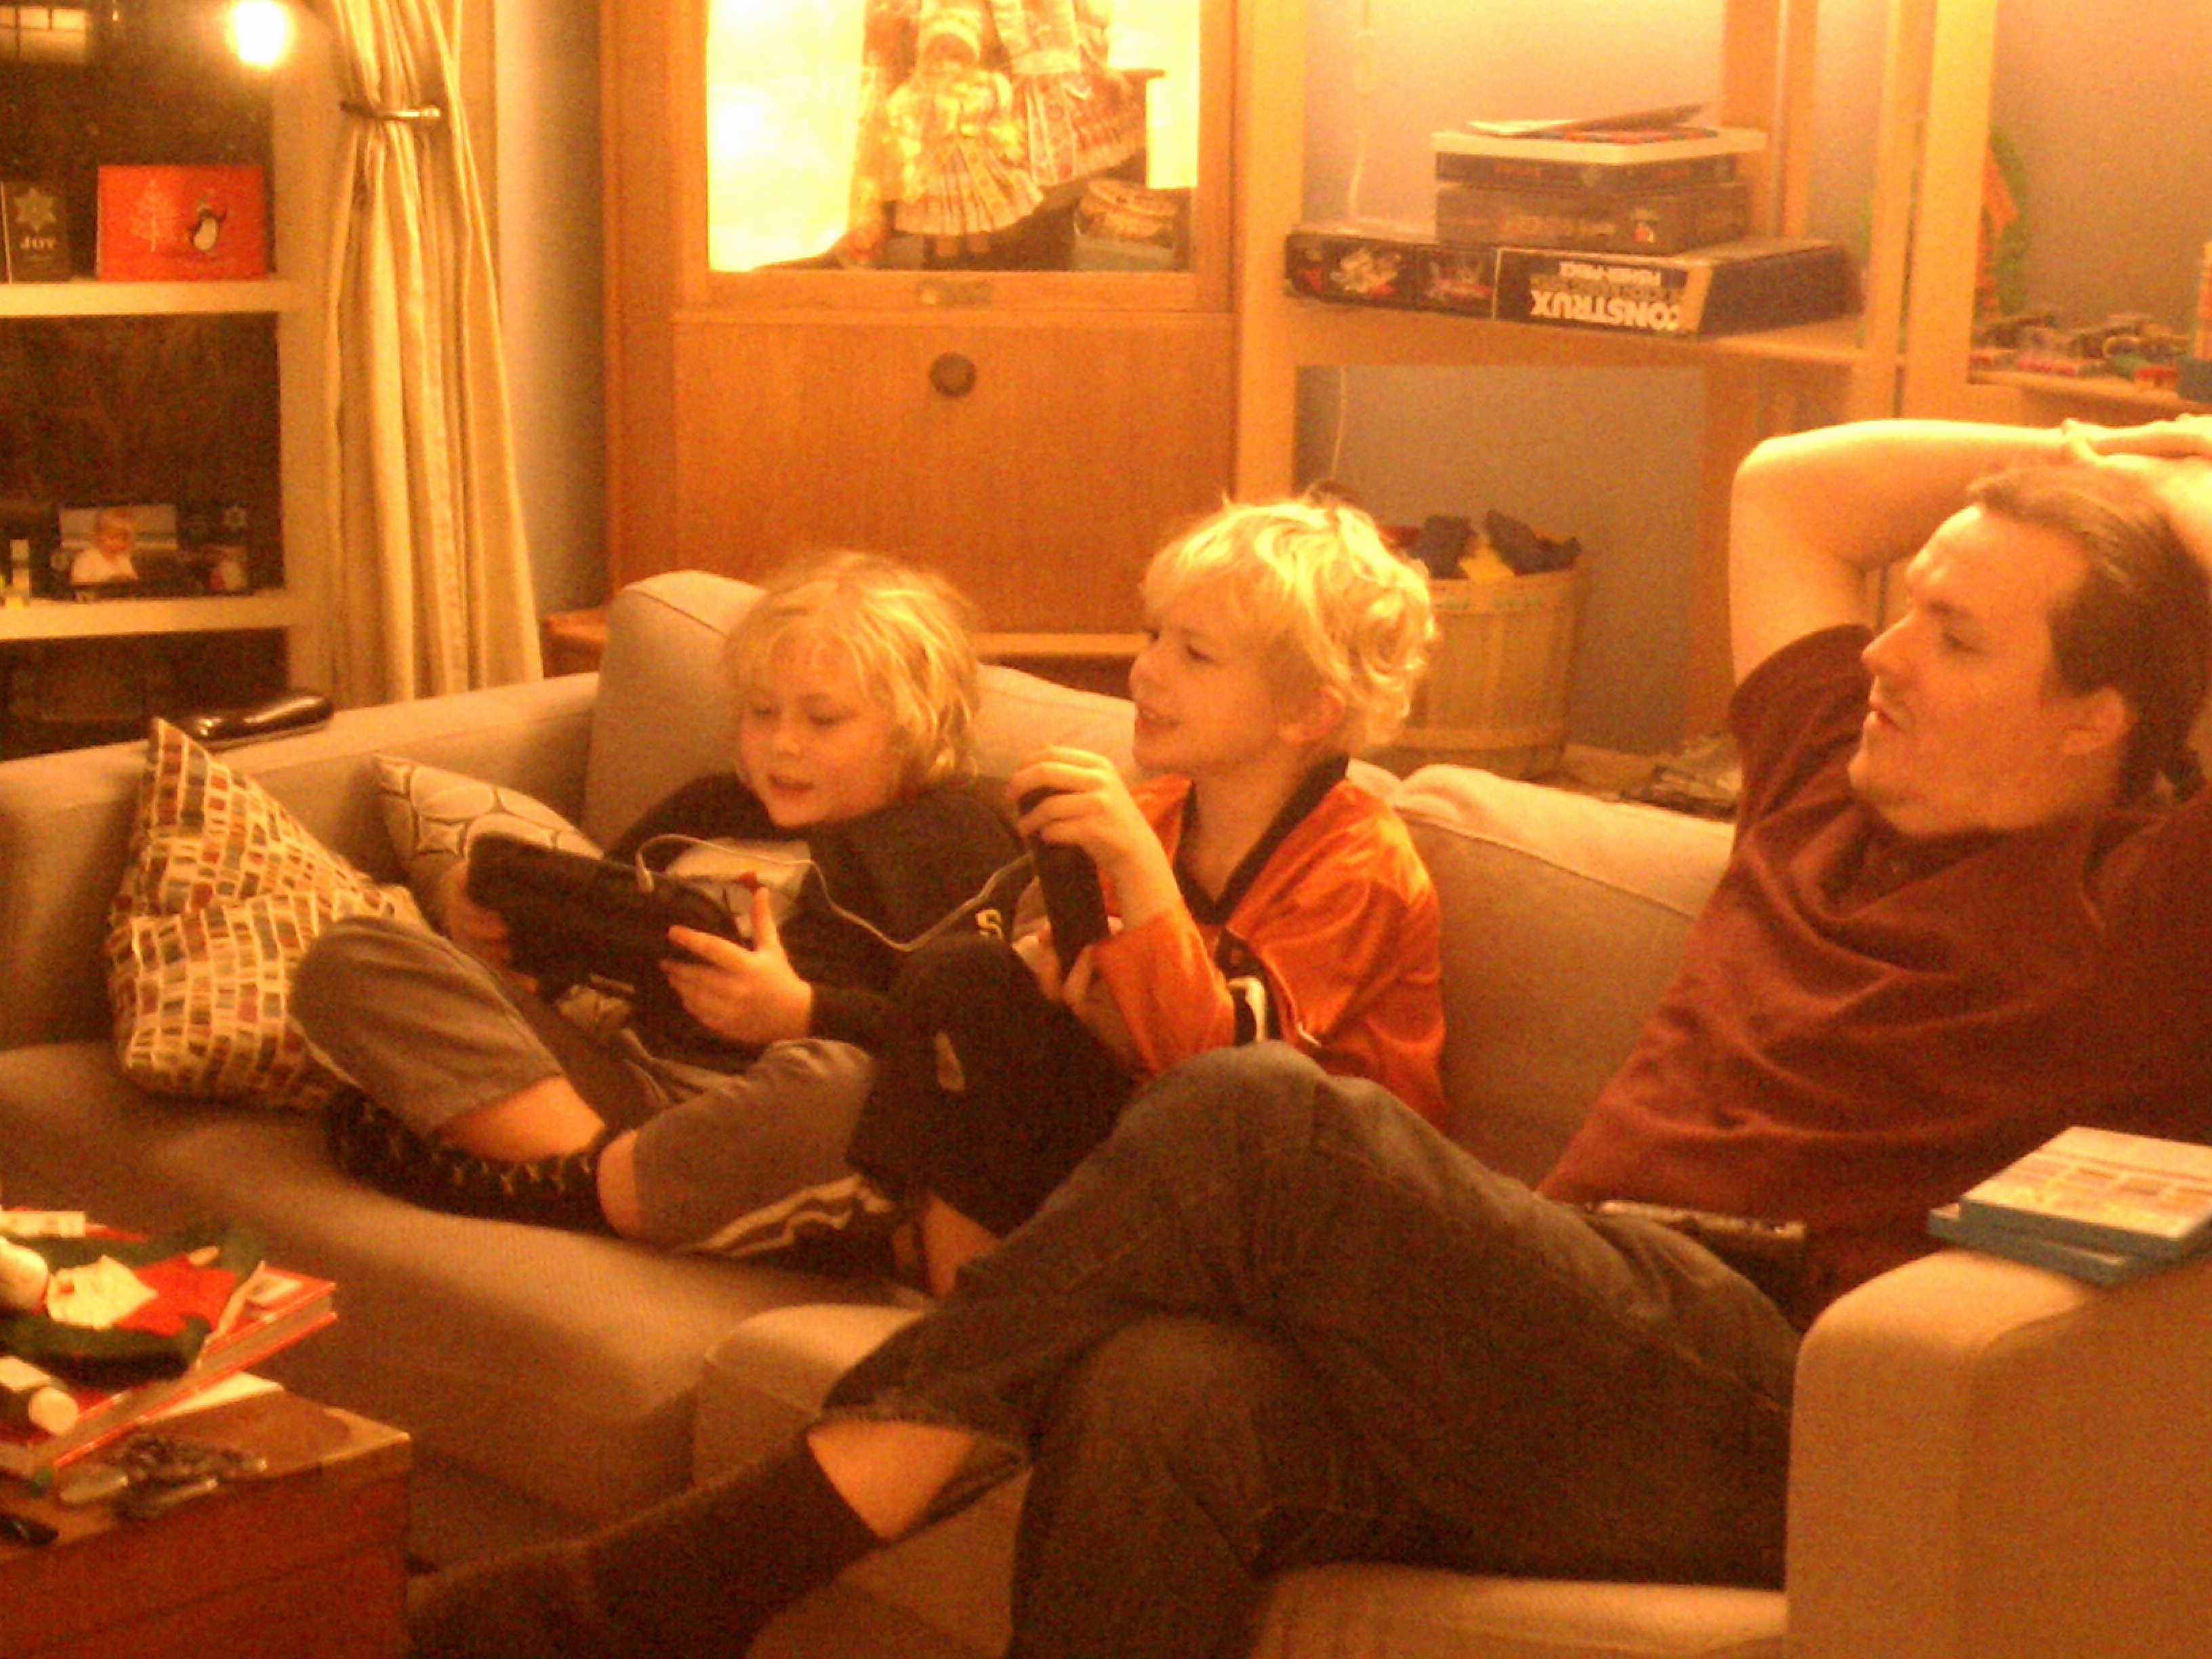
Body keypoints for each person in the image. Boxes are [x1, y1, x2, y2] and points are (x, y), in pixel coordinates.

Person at [406, 415, 2212, 1659]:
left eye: (1955, 635)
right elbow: (1789, 489)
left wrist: (2161, 503)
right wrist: (2082, 463)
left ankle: (705, 1572)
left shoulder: (2145, 905)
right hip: (1564, 1323)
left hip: (1782, 1389)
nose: (1885, 652)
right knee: (1157, 1388)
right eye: (1904, 612)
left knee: (1264, 1113)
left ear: (2099, 719)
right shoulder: (1824, 775)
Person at [293, 552, 1024, 1256]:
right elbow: (594, 922)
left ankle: (550, 1186)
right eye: (761, 712)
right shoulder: (708, 808)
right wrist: (493, 926)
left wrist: (800, 1012)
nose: (782, 744)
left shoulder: (956, 838)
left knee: (835, 1087)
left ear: (917, 724)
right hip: (623, 1088)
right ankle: (610, 1180)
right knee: (354, 956)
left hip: (772, 1121)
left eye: (823, 720)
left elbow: (973, 1052)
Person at [853, 495, 1446, 1294]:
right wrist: (1062, 974)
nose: (1146, 672)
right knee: (965, 980)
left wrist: (1137, 868)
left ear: (1308, 710)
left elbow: (1233, 1078)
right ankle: (949, 1293)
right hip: (1154, 1152)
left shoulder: (1361, 862)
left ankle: (941, 1281)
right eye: (1152, 636)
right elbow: (1115, 1030)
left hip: (1300, 1209)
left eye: (1194, 654)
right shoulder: (1159, 811)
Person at [68, 506, 140, 587]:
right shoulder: (87, 559)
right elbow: (78, 584)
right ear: (98, 535)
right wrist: (106, 582)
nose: (117, 543)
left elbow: (134, 583)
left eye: (123, 539)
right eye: (112, 538)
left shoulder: (123, 560)